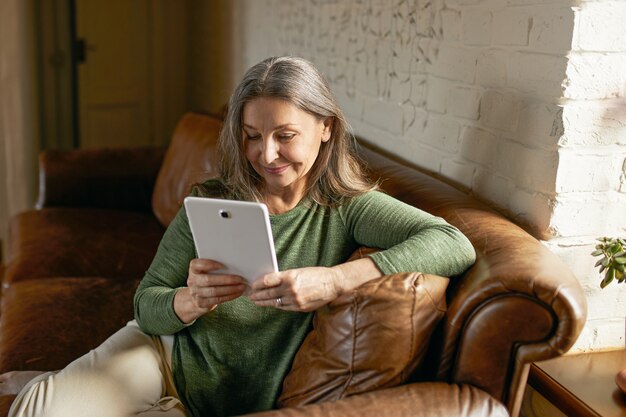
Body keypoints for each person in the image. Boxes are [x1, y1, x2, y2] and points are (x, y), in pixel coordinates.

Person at [1, 56, 476, 417]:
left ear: (326, 127)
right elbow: (146, 303)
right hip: (165, 355)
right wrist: (187, 301)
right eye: (251, 135)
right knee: (36, 410)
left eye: (284, 135)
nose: (265, 154)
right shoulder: (213, 200)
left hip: (236, 397)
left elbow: (454, 242)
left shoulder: (348, 209)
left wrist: (333, 281)